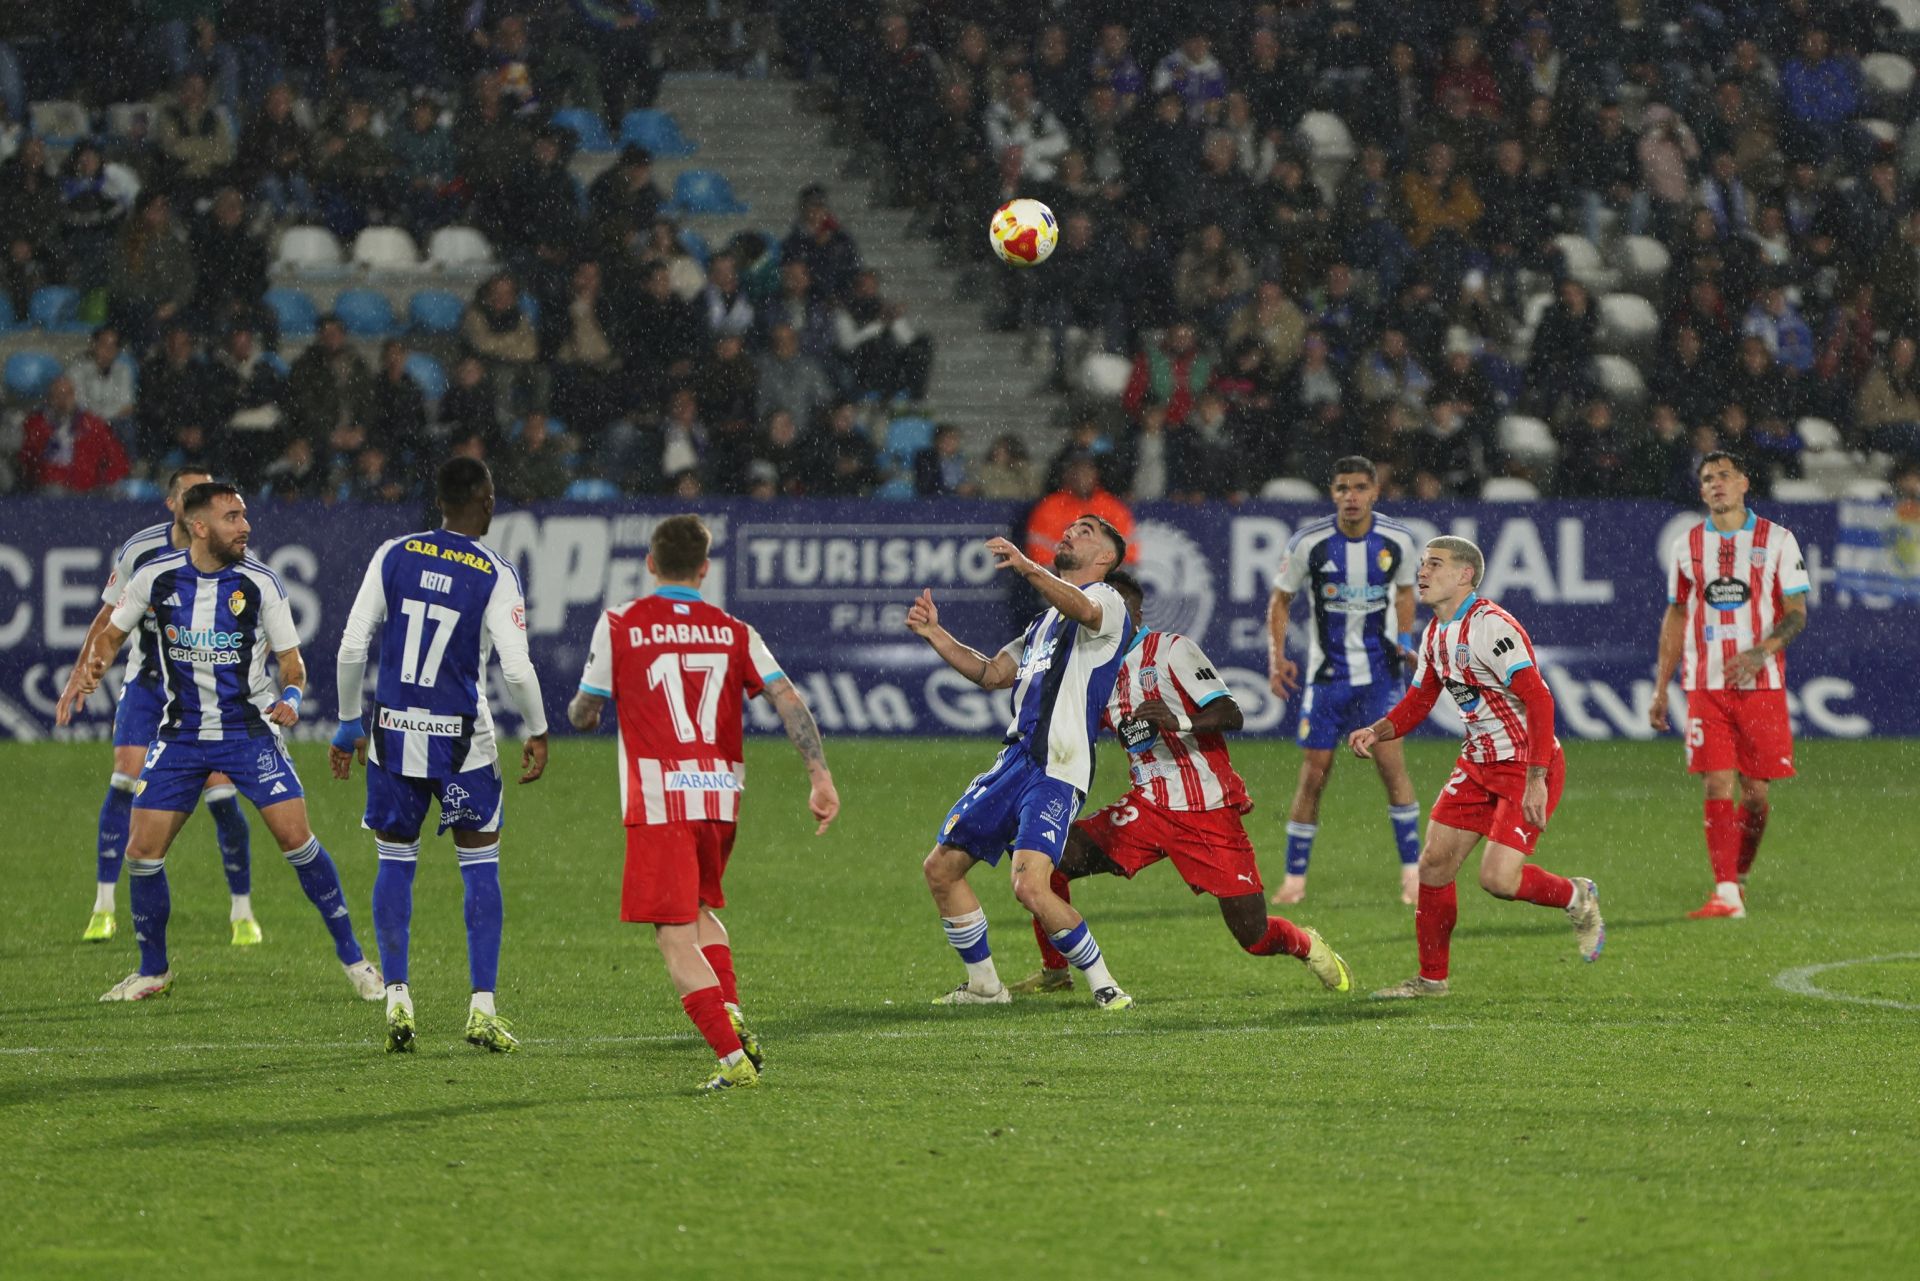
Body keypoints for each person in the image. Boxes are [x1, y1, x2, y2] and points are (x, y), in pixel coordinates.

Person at [56, 483, 381, 1003]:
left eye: (245, 516)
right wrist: (94, 665)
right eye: (232, 517)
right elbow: (112, 631)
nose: (245, 526)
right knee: (142, 852)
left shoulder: (260, 584)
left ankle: (357, 963)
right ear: (200, 525)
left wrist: (293, 697)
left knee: (297, 840)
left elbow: (291, 662)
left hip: (248, 733)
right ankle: (153, 971)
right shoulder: (154, 577)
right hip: (181, 734)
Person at [568, 515, 839, 1092]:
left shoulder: (620, 623)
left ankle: (730, 1061)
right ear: (704, 569)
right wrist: (819, 774)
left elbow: (586, 710)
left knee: (672, 934)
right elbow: (786, 697)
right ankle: (732, 1013)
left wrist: (583, 713)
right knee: (696, 910)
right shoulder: (733, 630)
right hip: (718, 797)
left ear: (649, 563)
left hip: (660, 799)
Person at [1008, 572, 1352, 996]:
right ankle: (1056, 972)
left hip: (1208, 812)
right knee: (1050, 859)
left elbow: (1231, 712)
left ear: (1130, 614)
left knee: (1254, 935)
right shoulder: (1098, 669)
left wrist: (1180, 720)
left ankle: (1304, 944)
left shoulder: (1173, 650)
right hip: (1147, 808)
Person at [330, 458, 550, 1054]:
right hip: (462, 743)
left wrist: (349, 719)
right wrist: (538, 727)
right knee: (479, 867)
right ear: (483, 500)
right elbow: (517, 665)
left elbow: (353, 645)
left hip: (393, 736)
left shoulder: (394, 553)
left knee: (395, 862)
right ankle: (482, 1007)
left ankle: (397, 997)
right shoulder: (494, 572)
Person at [1349, 536, 1605, 999]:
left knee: (1498, 881)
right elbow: (1421, 699)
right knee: (1433, 865)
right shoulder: (1435, 633)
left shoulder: (1491, 627)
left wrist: (1536, 778)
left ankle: (1577, 896)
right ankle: (1431, 981)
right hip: (1476, 763)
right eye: (1422, 564)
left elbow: (1540, 698)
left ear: (1465, 575)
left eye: (1435, 564)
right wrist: (1377, 730)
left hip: (1526, 763)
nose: (1422, 572)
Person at [906, 518, 1136, 1009]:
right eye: (1071, 526)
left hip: (1058, 766)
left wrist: (1028, 568)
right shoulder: (1041, 624)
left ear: (1105, 559)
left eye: (1087, 530)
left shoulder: (1109, 602)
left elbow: (1085, 607)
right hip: (1014, 761)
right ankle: (986, 986)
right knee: (941, 868)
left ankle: (1105, 984)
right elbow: (991, 673)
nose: (1072, 532)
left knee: (1030, 886)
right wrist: (936, 634)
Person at [57, 469, 257, 946]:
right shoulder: (139, 551)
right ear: (174, 505)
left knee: (221, 793)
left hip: (205, 691)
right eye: (191, 495)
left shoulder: (230, 551)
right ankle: (104, 906)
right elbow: (108, 617)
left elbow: (257, 622)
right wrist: (80, 674)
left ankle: (242, 909)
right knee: (125, 777)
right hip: (149, 682)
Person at [1650, 452, 1810, 920]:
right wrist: (1662, 687)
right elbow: (1676, 615)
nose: (1716, 484)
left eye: (1724, 476)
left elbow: (1797, 612)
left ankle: (1737, 877)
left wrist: (1761, 651)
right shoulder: (1687, 546)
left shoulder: (1777, 540)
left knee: (1756, 796)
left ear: (1744, 483)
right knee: (1717, 781)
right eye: (1707, 479)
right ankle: (1724, 893)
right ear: (1701, 492)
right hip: (1705, 684)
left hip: (1761, 684)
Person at [1265, 458, 1423, 905]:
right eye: (1341, 488)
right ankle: (1295, 879)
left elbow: (1408, 590)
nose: (1350, 497)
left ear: (1375, 492)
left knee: (1393, 771)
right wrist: (1277, 659)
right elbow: (1281, 600)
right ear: (1332, 493)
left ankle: (1412, 874)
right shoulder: (1310, 543)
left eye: (1359, 488)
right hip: (1326, 678)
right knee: (1313, 777)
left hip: (1380, 677)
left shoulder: (1398, 541)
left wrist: (1406, 641)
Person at [14, 377, 130, 495]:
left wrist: (104, 480)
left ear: (75, 396)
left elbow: (116, 458)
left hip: (88, 490)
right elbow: (26, 459)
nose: (63, 400)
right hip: (51, 490)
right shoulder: (36, 425)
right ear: (49, 398)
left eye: (68, 394)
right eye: (58, 395)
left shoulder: (92, 425)